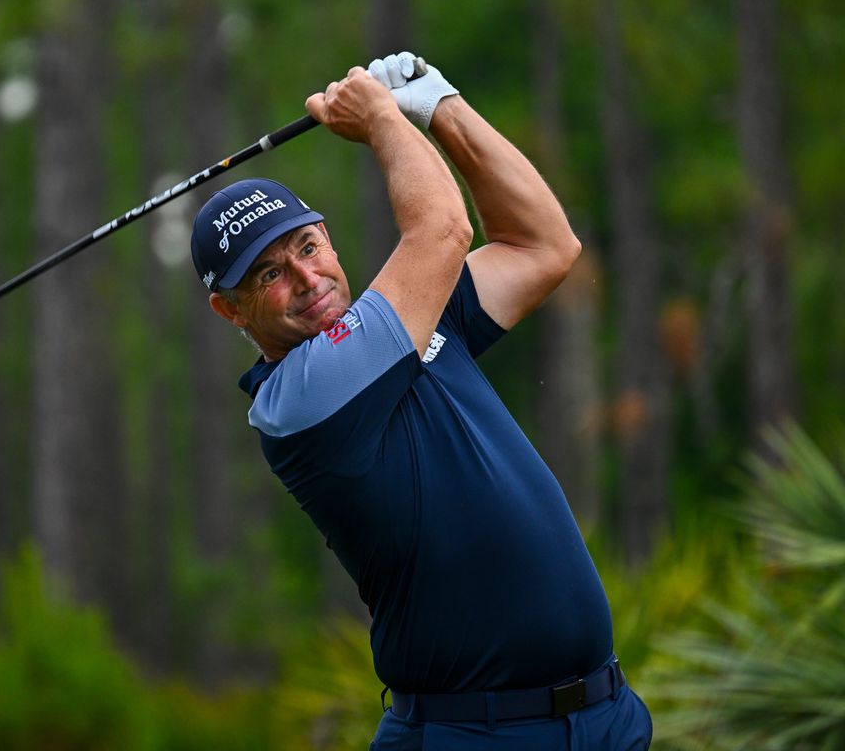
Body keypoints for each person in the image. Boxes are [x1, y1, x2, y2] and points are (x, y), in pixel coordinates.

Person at [189, 52, 652, 750]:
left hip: (605, 718)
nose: (308, 277)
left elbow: (544, 245)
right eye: (269, 275)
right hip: (474, 734)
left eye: (309, 247)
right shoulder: (301, 402)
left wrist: (444, 109)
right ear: (232, 312)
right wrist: (380, 117)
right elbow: (442, 230)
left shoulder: (412, 318)